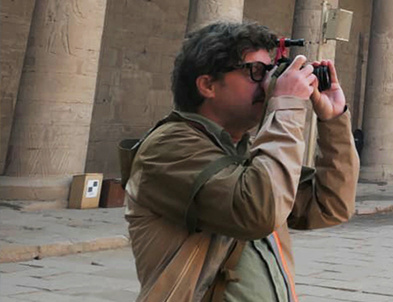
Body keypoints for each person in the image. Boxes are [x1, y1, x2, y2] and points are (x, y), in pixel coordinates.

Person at [122, 21, 360, 301]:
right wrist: (285, 105)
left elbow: (329, 205)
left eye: (269, 70)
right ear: (208, 85)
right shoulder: (167, 149)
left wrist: (333, 121)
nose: (268, 83)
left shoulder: (244, 153)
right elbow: (258, 211)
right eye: (256, 72)